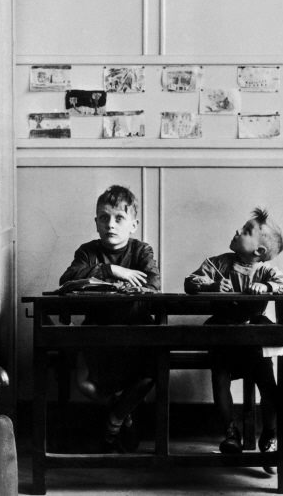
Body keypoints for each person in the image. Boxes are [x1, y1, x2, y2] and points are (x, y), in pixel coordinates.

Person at [184, 206, 283, 474]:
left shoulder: (266, 271)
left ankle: (269, 435)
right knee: (219, 377)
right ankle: (229, 433)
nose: (237, 231)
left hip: (253, 338)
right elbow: (189, 282)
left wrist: (267, 288)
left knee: (269, 386)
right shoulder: (217, 263)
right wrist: (208, 286)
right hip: (223, 334)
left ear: (259, 252)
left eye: (246, 231)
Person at [58, 185, 160, 452]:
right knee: (84, 383)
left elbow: (153, 287)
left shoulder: (141, 251)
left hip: (136, 333)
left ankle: (115, 419)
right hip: (98, 334)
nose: (110, 225)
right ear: (96, 222)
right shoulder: (87, 251)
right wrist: (112, 270)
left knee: (152, 372)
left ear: (133, 225)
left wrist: (123, 286)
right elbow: (67, 280)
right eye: (103, 218)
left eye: (119, 218)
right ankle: (122, 410)